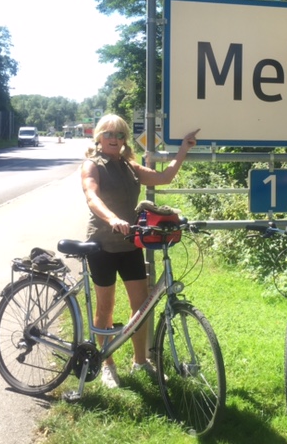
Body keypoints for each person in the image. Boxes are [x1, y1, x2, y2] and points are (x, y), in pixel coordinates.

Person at [81, 114, 200, 389]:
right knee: (105, 307)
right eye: (109, 134)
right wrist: (112, 219)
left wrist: (183, 150)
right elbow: (92, 196)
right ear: (99, 137)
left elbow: (164, 177)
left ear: (124, 140)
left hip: (130, 242)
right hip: (101, 244)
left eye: (120, 135)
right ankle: (106, 365)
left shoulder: (129, 166)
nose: (114, 139)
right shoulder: (92, 165)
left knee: (141, 306)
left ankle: (140, 362)